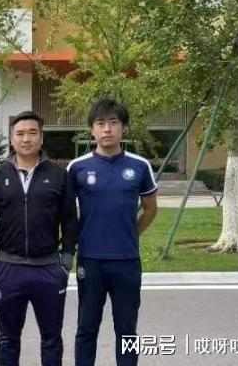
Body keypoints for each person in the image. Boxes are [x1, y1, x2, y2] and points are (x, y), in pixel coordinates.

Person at [0, 111, 77, 366]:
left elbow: (70, 219)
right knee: (8, 338)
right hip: (8, 269)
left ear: (41, 138)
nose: (26, 139)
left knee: (51, 338)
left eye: (32, 133)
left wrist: (66, 260)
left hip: (48, 269)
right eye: (20, 134)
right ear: (12, 139)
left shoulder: (59, 174)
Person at [69, 99, 159, 366]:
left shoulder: (139, 166)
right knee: (86, 328)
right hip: (90, 260)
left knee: (127, 329)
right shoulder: (77, 167)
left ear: (122, 128)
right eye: (100, 123)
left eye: (113, 122)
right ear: (91, 130)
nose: (107, 129)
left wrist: (131, 234)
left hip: (126, 261)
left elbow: (151, 209)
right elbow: (66, 214)